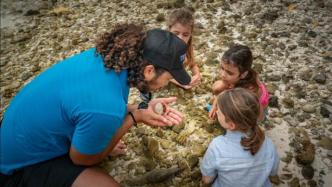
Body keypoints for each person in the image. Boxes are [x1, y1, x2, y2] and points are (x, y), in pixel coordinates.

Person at [0, 24, 191, 187]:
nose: (169, 82)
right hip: (14, 168)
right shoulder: (107, 107)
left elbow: (88, 107)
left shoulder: (108, 59)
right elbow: (82, 159)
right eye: (170, 77)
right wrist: (134, 118)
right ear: (149, 71)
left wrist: (138, 108)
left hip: (14, 135)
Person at [200, 88, 279, 187]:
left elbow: (207, 179)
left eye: (219, 111)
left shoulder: (217, 146)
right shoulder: (268, 144)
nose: (216, 112)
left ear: (231, 125)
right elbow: (273, 172)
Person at [208, 44, 269, 121]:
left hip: (256, 112)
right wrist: (215, 105)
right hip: (238, 92)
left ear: (243, 74)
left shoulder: (248, 92)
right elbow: (216, 90)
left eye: (229, 73)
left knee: (228, 115)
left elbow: (260, 117)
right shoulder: (238, 75)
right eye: (222, 68)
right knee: (217, 87)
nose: (222, 75)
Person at [167, 7, 201, 89]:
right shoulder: (164, 48)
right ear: (169, 30)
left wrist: (197, 75)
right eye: (176, 33)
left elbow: (192, 64)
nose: (180, 38)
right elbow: (161, 73)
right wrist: (182, 83)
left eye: (185, 35)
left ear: (190, 34)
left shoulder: (187, 45)